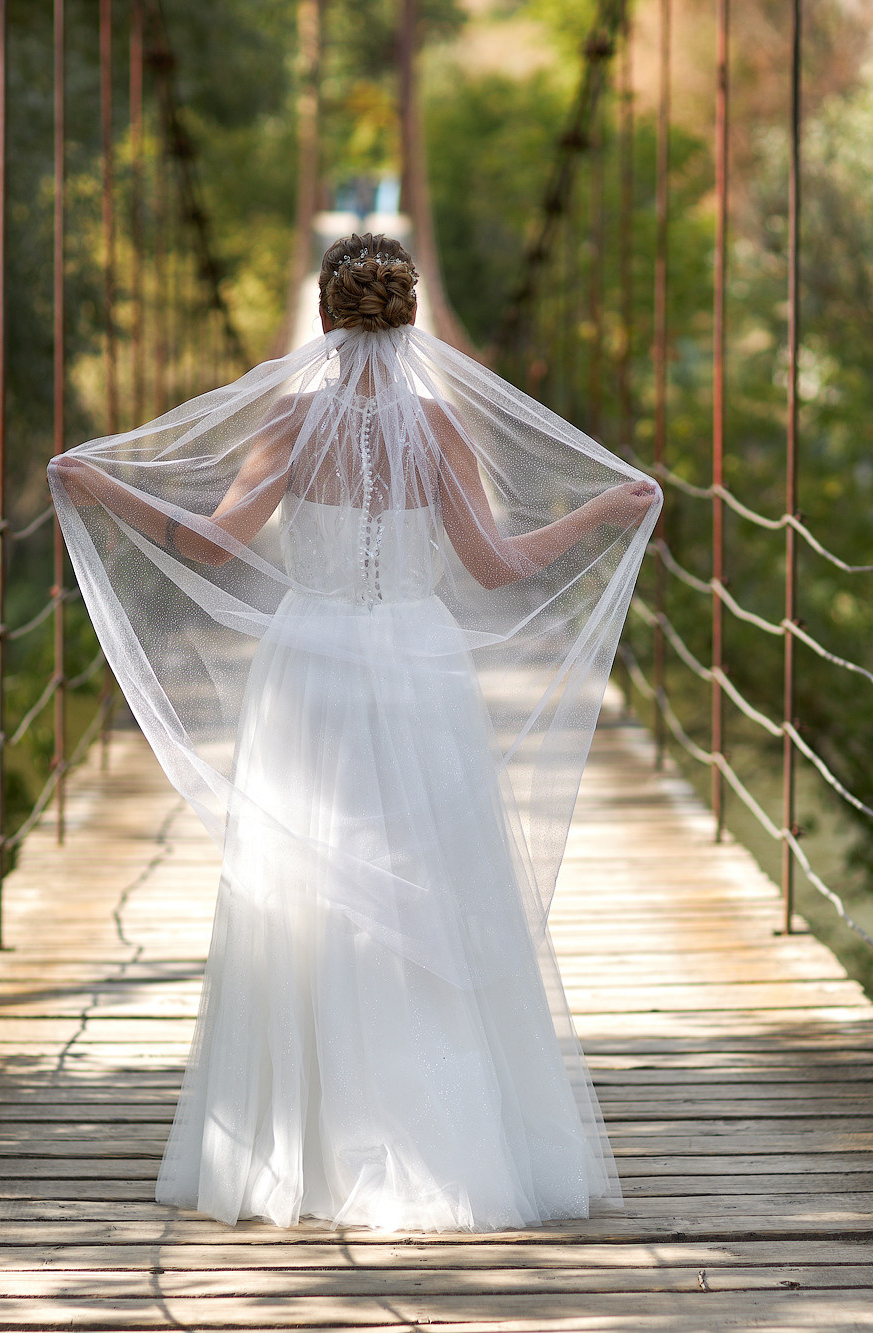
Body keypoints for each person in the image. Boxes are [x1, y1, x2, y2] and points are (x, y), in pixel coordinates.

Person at [49, 233, 659, 1232]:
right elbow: (498, 566)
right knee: (433, 888)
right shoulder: (439, 427)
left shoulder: (292, 422)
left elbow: (213, 544)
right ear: (410, 317)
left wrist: (100, 484)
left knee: (305, 891)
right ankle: (452, 1140)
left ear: (325, 318)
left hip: (310, 666)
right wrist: (601, 512)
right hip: (423, 663)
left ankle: (308, 1145)